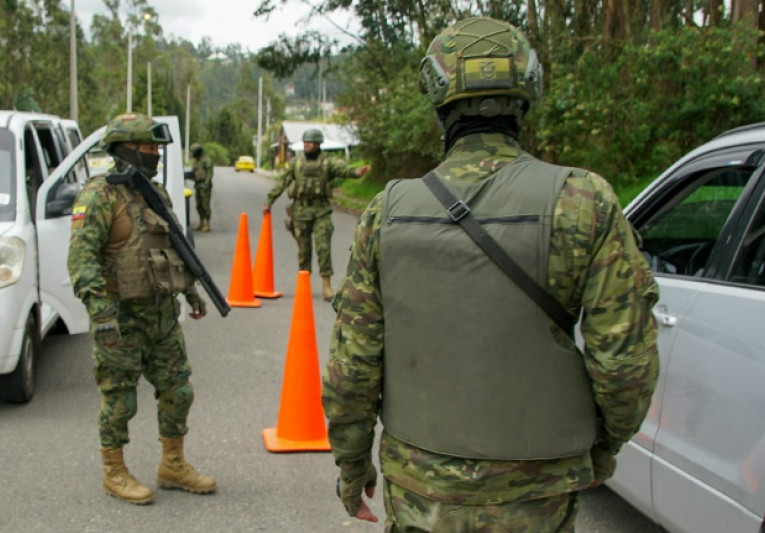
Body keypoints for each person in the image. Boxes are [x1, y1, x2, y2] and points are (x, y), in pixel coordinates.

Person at [322, 17, 660, 532]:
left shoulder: (387, 211)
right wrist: (603, 448)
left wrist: (352, 466)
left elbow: (353, 367)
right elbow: (625, 364)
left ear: (439, 101)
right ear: (526, 95)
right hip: (539, 485)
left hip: (420, 487)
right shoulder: (585, 201)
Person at [68, 113, 217, 505]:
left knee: (178, 390)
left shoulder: (156, 193)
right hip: (120, 316)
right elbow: (81, 260)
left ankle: (173, 463)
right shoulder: (99, 196)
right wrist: (100, 314)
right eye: (149, 147)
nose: (156, 154)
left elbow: (172, 248)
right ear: (125, 149)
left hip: (161, 313)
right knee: (120, 399)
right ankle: (113, 470)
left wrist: (190, 292)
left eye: (157, 148)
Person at [264, 128, 370, 300]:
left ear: (319, 144)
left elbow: (343, 169)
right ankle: (303, 285)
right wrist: (269, 201)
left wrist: (357, 172)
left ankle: (326, 286)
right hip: (300, 211)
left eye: (312, 143)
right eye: (306, 143)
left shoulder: (327, 162)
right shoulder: (295, 163)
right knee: (303, 251)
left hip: (321, 211)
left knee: (324, 249)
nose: (308, 146)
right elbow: (281, 183)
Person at [190, 143, 213, 231]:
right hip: (198, 185)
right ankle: (201, 223)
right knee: (199, 205)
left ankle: (207, 224)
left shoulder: (206, 160)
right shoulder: (196, 161)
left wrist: (207, 184)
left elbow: (209, 173)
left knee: (205, 205)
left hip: (204, 185)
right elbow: (194, 172)